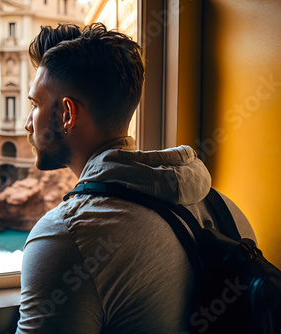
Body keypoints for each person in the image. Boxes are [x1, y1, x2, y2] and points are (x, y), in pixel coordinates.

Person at [17, 23, 256, 333]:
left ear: (67, 115)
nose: (27, 123)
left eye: (35, 104)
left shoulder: (67, 238)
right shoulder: (229, 211)